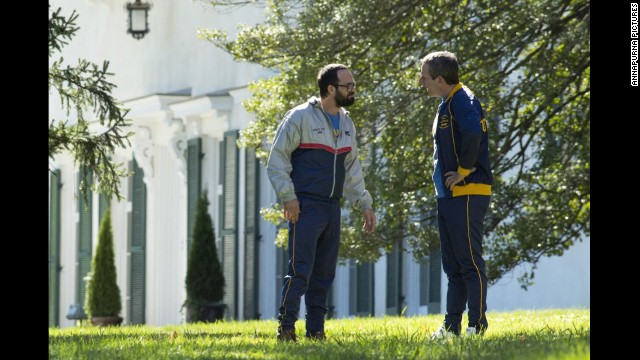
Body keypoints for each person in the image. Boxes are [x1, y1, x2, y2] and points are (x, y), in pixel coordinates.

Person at [267, 64, 376, 342]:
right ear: (330, 89)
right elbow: (277, 159)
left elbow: (352, 170)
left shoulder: (347, 123)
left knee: (324, 274)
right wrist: (288, 197)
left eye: (353, 85)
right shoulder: (300, 117)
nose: (353, 90)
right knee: (300, 271)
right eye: (347, 86)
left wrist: (364, 203)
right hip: (305, 207)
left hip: (332, 208)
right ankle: (286, 328)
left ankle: (316, 330)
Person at [418, 51, 494, 338]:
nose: (421, 82)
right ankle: (451, 328)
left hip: (468, 192)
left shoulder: (464, 99)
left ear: (439, 79)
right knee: (452, 265)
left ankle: (477, 325)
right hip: (448, 195)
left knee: (470, 262)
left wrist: (463, 170)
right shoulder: (445, 103)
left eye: (424, 77)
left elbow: (473, 133)